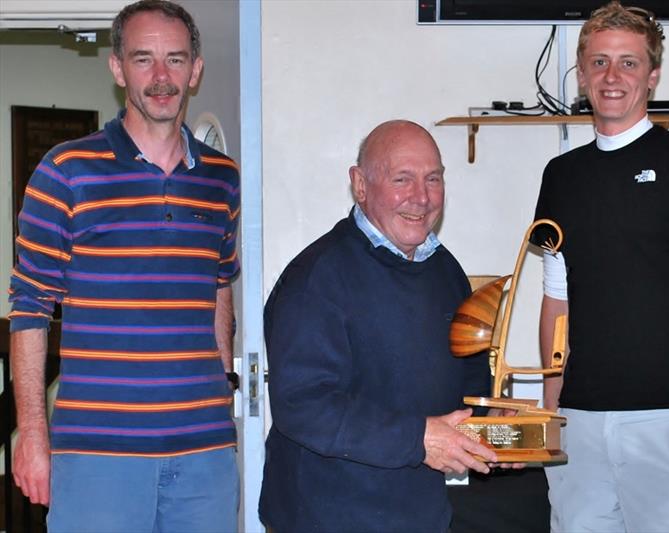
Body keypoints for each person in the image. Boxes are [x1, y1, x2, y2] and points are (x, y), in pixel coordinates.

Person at [8, 1, 240, 531]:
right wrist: (33, 439)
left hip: (204, 456)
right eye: (143, 59)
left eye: (176, 60)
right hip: (96, 457)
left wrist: (224, 385)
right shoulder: (66, 171)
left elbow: (219, 281)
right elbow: (29, 309)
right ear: (117, 68)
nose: (161, 77)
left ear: (195, 70)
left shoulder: (222, 178)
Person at [534, 2, 669, 531]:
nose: (612, 77)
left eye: (628, 63)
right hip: (579, 431)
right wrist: (552, 416)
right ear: (582, 74)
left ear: (652, 76)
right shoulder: (560, 176)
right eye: (599, 62)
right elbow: (557, 301)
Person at [259, 120, 497, 532]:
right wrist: (417, 439)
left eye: (433, 179)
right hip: (325, 517)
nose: (421, 198)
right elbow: (303, 405)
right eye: (402, 179)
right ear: (360, 184)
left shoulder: (446, 272)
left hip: (420, 514)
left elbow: (472, 375)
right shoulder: (317, 277)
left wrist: (492, 425)